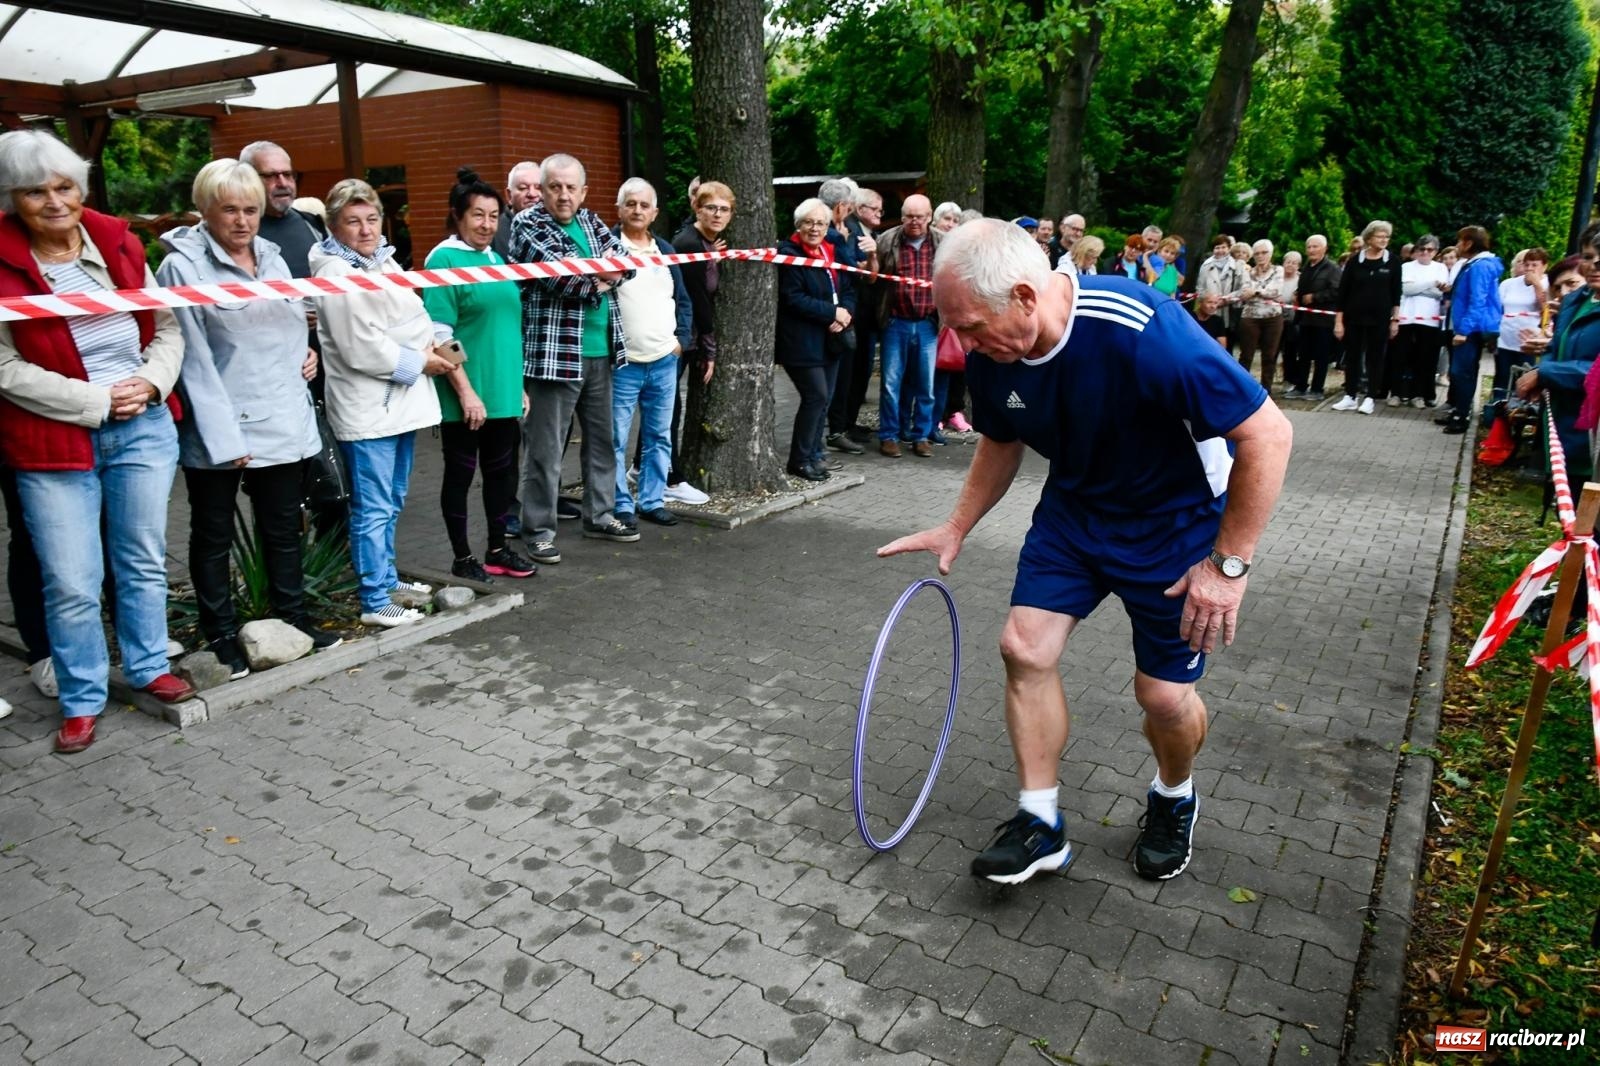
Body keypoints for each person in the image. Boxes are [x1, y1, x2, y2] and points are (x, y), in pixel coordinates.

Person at [879, 219, 1292, 884]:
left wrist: (1228, 567)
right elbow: (1002, 438)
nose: (963, 343)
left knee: (1162, 698)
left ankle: (1173, 794)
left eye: (972, 327)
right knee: (1023, 647)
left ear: (1023, 296)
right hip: (1073, 516)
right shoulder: (995, 351)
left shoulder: (1142, 328)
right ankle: (1041, 824)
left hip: (1175, 526)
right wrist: (957, 524)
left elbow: (1268, 435)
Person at [0, 129, 195, 754]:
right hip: (52, 441)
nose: (55, 202)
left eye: (65, 187)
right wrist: (94, 401)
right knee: (72, 579)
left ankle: (147, 669)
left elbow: (167, 327)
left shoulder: (119, 242)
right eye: (35, 192)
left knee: (140, 559)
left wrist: (149, 384)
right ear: (12, 199)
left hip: (141, 424)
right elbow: (3, 367)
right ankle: (83, 697)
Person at [157, 158, 334, 679]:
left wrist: (307, 353)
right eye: (229, 209)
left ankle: (293, 621)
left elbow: (286, 323)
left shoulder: (275, 259)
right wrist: (220, 437)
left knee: (281, 528)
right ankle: (220, 638)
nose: (242, 221)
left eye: (251, 209)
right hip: (223, 425)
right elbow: (191, 360)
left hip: (281, 416)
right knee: (212, 536)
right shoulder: (181, 267)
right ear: (204, 211)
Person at [311, 178, 450, 626]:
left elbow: (415, 320)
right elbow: (360, 346)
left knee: (392, 499)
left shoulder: (379, 263)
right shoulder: (335, 272)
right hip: (370, 406)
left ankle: (387, 577)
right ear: (334, 226)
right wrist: (418, 359)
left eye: (372, 219)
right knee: (372, 507)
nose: (366, 229)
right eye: (353, 221)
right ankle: (373, 599)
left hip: (397, 402)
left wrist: (411, 342)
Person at [510, 153, 637, 564]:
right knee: (545, 450)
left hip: (602, 351)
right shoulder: (528, 223)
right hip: (554, 357)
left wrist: (599, 275)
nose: (563, 195)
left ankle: (599, 515)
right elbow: (556, 275)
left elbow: (625, 262)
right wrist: (596, 280)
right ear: (542, 189)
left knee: (604, 442)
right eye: (554, 187)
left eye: (570, 188)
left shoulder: (590, 221)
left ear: (583, 191)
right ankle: (538, 530)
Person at [419, 168, 537, 583]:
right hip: (468, 395)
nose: (487, 224)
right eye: (478, 215)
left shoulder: (498, 260)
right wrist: (466, 392)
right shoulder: (443, 259)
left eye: (493, 216)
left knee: (501, 476)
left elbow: (505, 330)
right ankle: (462, 556)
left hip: (503, 392)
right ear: (458, 216)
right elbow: (439, 335)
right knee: (461, 474)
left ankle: (497, 550)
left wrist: (518, 385)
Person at [611, 177, 694, 525]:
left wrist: (681, 342)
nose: (637, 210)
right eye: (631, 203)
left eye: (644, 205)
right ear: (619, 209)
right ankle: (620, 504)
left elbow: (683, 300)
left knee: (659, 436)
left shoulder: (666, 251)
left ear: (655, 212)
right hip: (622, 363)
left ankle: (651, 500)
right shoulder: (607, 249)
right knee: (614, 438)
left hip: (664, 360)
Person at [777, 199, 856, 481]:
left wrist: (845, 313)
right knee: (816, 396)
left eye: (821, 223)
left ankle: (814, 454)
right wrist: (830, 312)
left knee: (825, 399)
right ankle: (798, 460)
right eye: (808, 222)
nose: (815, 228)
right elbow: (792, 297)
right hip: (802, 341)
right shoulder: (789, 254)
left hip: (832, 339)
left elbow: (847, 285)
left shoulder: (831, 250)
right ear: (798, 226)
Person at [667, 181, 734, 507]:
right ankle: (671, 478)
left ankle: (642, 467)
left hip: (688, 336)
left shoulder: (704, 244)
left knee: (669, 407)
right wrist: (710, 351)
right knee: (668, 408)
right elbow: (698, 302)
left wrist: (711, 261)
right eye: (711, 207)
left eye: (724, 209)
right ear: (697, 208)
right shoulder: (688, 243)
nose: (718, 214)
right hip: (678, 337)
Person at [1516, 253, 1600, 479]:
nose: (1594, 264)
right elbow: (1561, 345)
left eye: (1570, 283)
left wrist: (1546, 372)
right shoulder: (1576, 303)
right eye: (1589, 256)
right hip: (1566, 422)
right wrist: (1542, 372)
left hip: (1591, 431)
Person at [873, 194, 942, 458]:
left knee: (926, 385)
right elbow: (874, 277)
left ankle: (921, 435)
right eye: (910, 216)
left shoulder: (942, 243)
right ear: (902, 217)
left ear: (929, 216)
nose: (915, 221)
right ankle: (888, 435)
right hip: (895, 321)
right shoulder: (887, 240)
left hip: (928, 323)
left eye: (920, 216)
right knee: (891, 383)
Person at [831, 186, 885, 446]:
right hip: (853, 312)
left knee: (861, 371)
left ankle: (849, 423)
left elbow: (871, 272)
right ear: (858, 209)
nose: (880, 214)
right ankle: (839, 427)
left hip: (867, 314)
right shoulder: (848, 230)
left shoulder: (869, 234)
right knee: (848, 374)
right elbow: (855, 271)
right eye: (875, 209)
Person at [1331, 221, 1402, 414]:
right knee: (1352, 357)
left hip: (1380, 319)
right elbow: (1343, 294)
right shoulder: (1355, 261)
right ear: (1369, 238)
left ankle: (1370, 397)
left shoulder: (1393, 261)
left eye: (1387, 237)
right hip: (1354, 318)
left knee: (1375, 358)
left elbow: (1397, 294)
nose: (1384, 240)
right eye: (1380, 236)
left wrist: (1395, 320)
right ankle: (1350, 396)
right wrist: (1339, 322)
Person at [1440, 226, 1504, 435]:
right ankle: (1458, 409)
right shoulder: (1473, 265)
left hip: (1471, 327)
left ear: (1469, 243)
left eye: (1460, 241)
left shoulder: (1480, 266)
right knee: (1459, 371)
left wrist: (1464, 330)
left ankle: (1462, 414)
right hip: (1465, 324)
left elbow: (1478, 300)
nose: (1458, 245)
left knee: (1463, 371)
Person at [1393, 236, 1449, 408]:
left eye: (1430, 250)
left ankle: (1419, 394)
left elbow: (1439, 294)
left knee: (1424, 359)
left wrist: (1420, 287)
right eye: (1421, 249)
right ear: (1416, 251)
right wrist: (1431, 284)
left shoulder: (1440, 268)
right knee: (1400, 357)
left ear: (1436, 252)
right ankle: (1396, 393)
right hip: (1406, 317)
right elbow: (1406, 289)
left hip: (1429, 320)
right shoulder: (1407, 267)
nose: (1425, 253)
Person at [1289, 235, 1341, 401]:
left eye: (1315, 247)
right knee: (1303, 355)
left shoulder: (1332, 269)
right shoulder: (1307, 267)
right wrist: (1298, 294)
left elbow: (1337, 291)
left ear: (1324, 249)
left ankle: (1317, 389)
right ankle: (1300, 386)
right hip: (1305, 319)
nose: (1311, 250)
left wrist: (1315, 297)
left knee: (1321, 356)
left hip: (1323, 321)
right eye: (1309, 247)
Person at [1495, 248, 1549, 402]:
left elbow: (1545, 309)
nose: (1530, 269)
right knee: (1503, 376)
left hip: (1529, 340)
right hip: (1506, 338)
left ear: (1544, 266)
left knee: (1523, 376)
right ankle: (1498, 406)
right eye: (1527, 265)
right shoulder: (1509, 284)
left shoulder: (1547, 283)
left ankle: (1519, 408)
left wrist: (1537, 285)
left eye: (1534, 265)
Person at [1236, 239, 1285, 390]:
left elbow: (1276, 291)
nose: (1260, 256)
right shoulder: (1247, 272)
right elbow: (1244, 293)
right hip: (1250, 316)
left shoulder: (1278, 270)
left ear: (1270, 254)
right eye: (1257, 253)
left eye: (1264, 253)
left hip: (1272, 317)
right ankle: (1242, 389)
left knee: (1269, 355)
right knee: (1246, 355)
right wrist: (1261, 292)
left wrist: (1256, 291)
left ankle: (1266, 389)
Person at [1194, 235, 1244, 349]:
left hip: (1229, 310)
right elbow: (1200, 288)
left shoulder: (1238, 265)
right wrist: (1209, 300)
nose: (1220, 251)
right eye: (1217, 247)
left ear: (1229, 248)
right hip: (1210, 311)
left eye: (1223, 247)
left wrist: (1226, 299)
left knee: (1227, 344)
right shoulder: (1206, 265)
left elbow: (1243, 289)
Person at [493, 161, 540, 260]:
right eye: (523, 188)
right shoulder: (493, 229)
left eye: (538, 188)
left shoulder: (556, 226)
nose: (532, 194)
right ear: (509, 195)